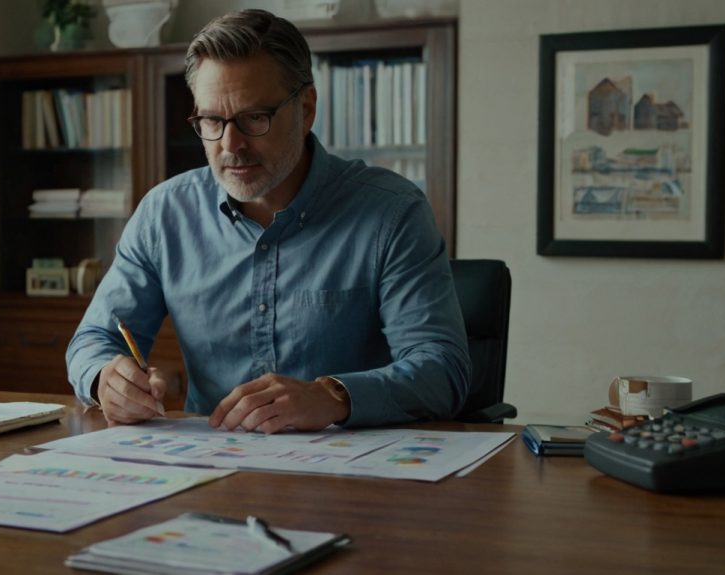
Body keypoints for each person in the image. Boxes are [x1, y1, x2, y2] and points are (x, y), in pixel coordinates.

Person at [66, 9, 470, 433]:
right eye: (211, 120)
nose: (230, 145)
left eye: (254, 118)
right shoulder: (165, 214)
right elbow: (93, 340)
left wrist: (333, 396)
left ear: (307, 108)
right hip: (208, 466)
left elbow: (443, 371)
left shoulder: (392, 212)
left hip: (349, 476)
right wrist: (105, 379)